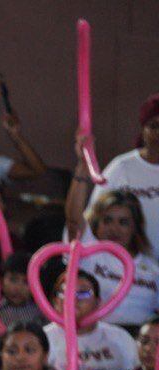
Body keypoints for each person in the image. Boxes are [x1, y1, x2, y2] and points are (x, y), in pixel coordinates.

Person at [67, 93, 159, 261]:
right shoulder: (122, 167)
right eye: (154, 126)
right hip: (117, 261)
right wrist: (82, 164)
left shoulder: (149, 276)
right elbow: (86, 219)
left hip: (149, 274)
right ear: (143, 130)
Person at [43, 269, 139, 370]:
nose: (73, 299)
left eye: (83, 293)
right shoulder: (43, 337)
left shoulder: (120, 336)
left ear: (98, 302)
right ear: (56, 301)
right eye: (65, 292)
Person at [79, 191, 159, 328]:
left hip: (141, 342)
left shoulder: (153, 269)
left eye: (123, 222)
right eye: (107, 221)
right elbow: (73, 220)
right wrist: (81, 177)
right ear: (96, 224)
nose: (114, 229)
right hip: (94, 336)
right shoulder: (88, 253)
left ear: (135, 228)